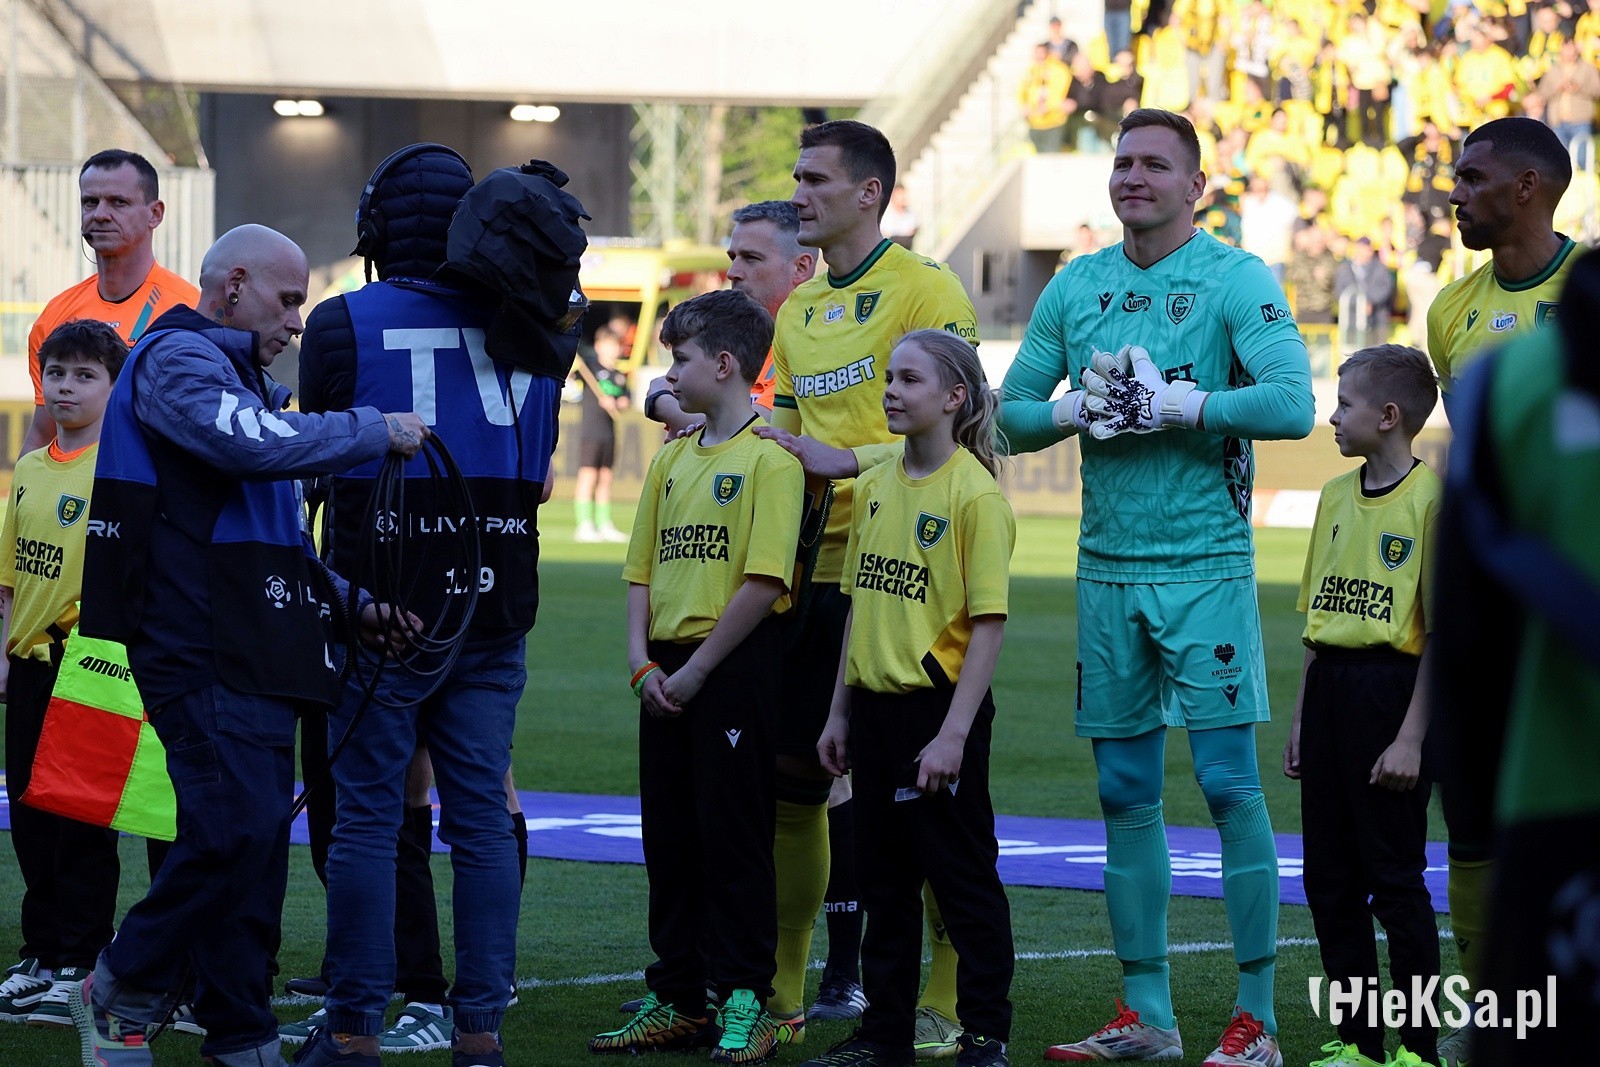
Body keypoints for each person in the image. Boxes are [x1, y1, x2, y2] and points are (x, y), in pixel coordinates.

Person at [67, 224, 429, 1067]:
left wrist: (352, 604)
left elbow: (278, 539)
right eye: (289, 299)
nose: (298, 321)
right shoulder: (178, 358)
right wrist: (372, 428)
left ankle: (242, 1035)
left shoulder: (241, 381)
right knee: (235, 831)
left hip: (257, 642)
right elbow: (249, 448)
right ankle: (118, 984)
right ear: (232, 286)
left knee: (256, 848)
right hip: (198, 641)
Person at [998, 108, 1314, 1067]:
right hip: (1106, 570)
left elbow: (1293, 403)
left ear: (1195, 186)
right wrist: (1075, 410)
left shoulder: (1235, 277)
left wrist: (1181, 403)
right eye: (1123, 162)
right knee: (1123, 789)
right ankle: (1148, 1015)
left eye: (1155, 165)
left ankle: (1256, 1020)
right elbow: (1006, 416)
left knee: (1228, 785)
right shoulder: (1077, 284)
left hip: (1206, 567)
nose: (1133, 177)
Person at [290, 145, 566, 1067]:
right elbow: (537, 469)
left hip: (381, 606)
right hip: (494, 602)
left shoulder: (341, 321)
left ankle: (354, 1026)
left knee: (368, 820)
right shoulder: (536, 323)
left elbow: (319, 453)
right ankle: (479, 1027)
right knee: (481, 818)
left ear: (376, 227)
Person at [755, 118, 980, 1058]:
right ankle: (783, 990)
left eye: (814, 179)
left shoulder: (928, 288)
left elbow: (972, 431)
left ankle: (946, 999)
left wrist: (850, 459)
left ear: (869, 193)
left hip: (908, 570)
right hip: (816, 571)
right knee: (798, 779)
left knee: (926, 794)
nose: (798, 194)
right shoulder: (798, 309)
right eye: (796, 178)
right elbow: (789, 443)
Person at [591, 288, 802, 1063]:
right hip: (665, 670)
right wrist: (642, 663)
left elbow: (765, 579)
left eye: (679, 358)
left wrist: (700, 668)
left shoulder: (770, 458)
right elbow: (640, 570)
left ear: (724, 363)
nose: (669, 373)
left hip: (733, 665)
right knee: (670, 838)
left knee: (735, 836)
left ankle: (746, 999)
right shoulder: (673, 458)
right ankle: (678, 996)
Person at [803, 329, 1015, 1067]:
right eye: (889, 377)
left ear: (955, 397)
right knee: (884, 884)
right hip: (872, 714)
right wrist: (839, 711)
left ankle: (984, 1033)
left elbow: (987, 626)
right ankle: (884, 1034)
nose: (892, 391)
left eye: (910, 379)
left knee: (962, 879)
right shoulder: (877, 483)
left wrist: (953, 734)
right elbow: (859, 606)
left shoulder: (974, 495)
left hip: (938, 713)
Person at [1423, 115, 1579, 1067]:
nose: (1456, 193)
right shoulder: (1451, 311)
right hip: (1492, 610)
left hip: (1577, 608)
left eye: (1473, 177)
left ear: (1528, 187)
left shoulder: (1589, 293)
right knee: (1473, 816)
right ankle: (1494, 1006)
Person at [1283, 345, 1442, 1067]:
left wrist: (1412, 738)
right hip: (1331, 695)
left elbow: (1441, 635)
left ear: (1388, 416)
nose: (1332, 415)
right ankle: (1359, 1042)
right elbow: (1318, 619)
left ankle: (1417, 1047)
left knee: (1395, 882)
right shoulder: (1333, 496)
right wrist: (1301, 718)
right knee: (1329, 881)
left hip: (1392, 693)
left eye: (1344, 404)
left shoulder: (1431, 500)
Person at [0, 320, 127, 1027]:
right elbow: (10, 578)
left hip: (86, 668)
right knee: (30, 815)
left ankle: (82, 957)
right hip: (28, 668)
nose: (66, 388)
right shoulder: (30, 469)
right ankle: (42, 952)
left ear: (114, 386)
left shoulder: (118, 469)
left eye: (84, 375)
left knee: (81, 818)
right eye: (56, 373)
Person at [21, 149, 199, 458]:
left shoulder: (189, 311)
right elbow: (43, 431)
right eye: (90, 202)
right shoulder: (55, 316)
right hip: (73, 488)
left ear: (155, 214)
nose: (100, 214)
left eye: (118, 202)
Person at [573, 325, 631, 542]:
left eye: (615, 346)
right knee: (588, 476)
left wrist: (617, 402)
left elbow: (626, 399)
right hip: (591, 431)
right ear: (598, 346)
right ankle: (584, 524)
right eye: (607, 345)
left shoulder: (619, 375)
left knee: (605, 478)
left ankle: (604, 523)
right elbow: (570, 375)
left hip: (609, 433)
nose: (612, 350)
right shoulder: (589, 367)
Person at [1335, 238, 1397, 352]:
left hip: (1376, 320)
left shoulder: (1380, 268)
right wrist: (1359, 303)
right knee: (1351, 353)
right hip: (1351, 320)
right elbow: (1341, 292)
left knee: (1376, 354)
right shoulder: (1344, 268)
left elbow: (1384, 288)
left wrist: (1369, 301)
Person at [1021, 43, 1072, 153]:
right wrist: (1025, 107)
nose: (1040, 57)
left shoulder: (1059, 70)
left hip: (1054, 122)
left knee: (1051, 157)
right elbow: (1022, 93)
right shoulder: (1031, 71)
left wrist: (1049, 106)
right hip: (1034, 122)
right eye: (1037, 54)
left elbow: (1062, 94)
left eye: (1042, 53)